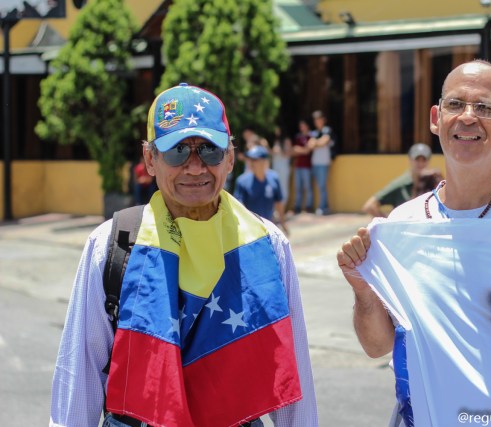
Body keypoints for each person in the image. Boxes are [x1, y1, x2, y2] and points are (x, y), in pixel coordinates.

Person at [50, 83, 317, 427]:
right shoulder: (112, 245)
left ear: (231, 158)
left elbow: (294, 383)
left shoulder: (269, 246)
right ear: (150, 159)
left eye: (209, 150)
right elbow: (80, 375)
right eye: (177, 151)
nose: (195, 167)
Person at [336, 60, 491, 425]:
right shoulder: (402, 225)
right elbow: (377, 347)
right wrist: (363, 291)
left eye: (485, 108)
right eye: (455, 104)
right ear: (436, 118)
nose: (467, 117)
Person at [361, 143, 439, 217]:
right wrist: (389, 223)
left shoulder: (433, 181)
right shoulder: (402, 184)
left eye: (424, 160)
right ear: (410, 160)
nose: (420, 163)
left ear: (428, 161)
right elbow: (370, 206)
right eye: (417, 160)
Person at [234, 145, 289, 235]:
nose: (251, 163)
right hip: (250, 230)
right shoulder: (242, 181)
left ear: (264, 161)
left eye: (255, 160)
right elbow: (238, 207)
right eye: (250, 160)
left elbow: (279, 203)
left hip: (269, 228)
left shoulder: (274, 178)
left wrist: (283, 224)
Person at [309, 110, 334, 216]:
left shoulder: (327, 130)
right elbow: (310, 145)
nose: (317, 122)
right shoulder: (314, 133)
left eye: (319, 119)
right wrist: (317, 143)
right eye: (316, 120)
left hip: (324, 162)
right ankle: (325, 206)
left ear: (323, 120)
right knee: (319, 186)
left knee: (322, 186)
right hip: (315, 162)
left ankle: (322, 207)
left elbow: (324, 141)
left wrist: (317, 143)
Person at [292, 119, 313, 214]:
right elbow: (294, 150)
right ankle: (297, 206)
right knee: (298, 187)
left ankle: (309, 206)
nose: (301, 127)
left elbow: (307, 150)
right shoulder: (298, 137)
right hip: (298, 165)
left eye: (303, 125)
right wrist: (302, 150)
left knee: (307, 187)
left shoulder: (311, 136)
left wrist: (300, 150)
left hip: (306, 166)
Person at [271, 125, 293, 207]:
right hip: (276, 165)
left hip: (283, 166)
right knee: (275, 186)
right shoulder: (276, 140)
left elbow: (288, 154)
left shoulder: (286, 140)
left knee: (283, 186)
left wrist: (280, 151)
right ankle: (277, 208)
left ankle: (283, 207)